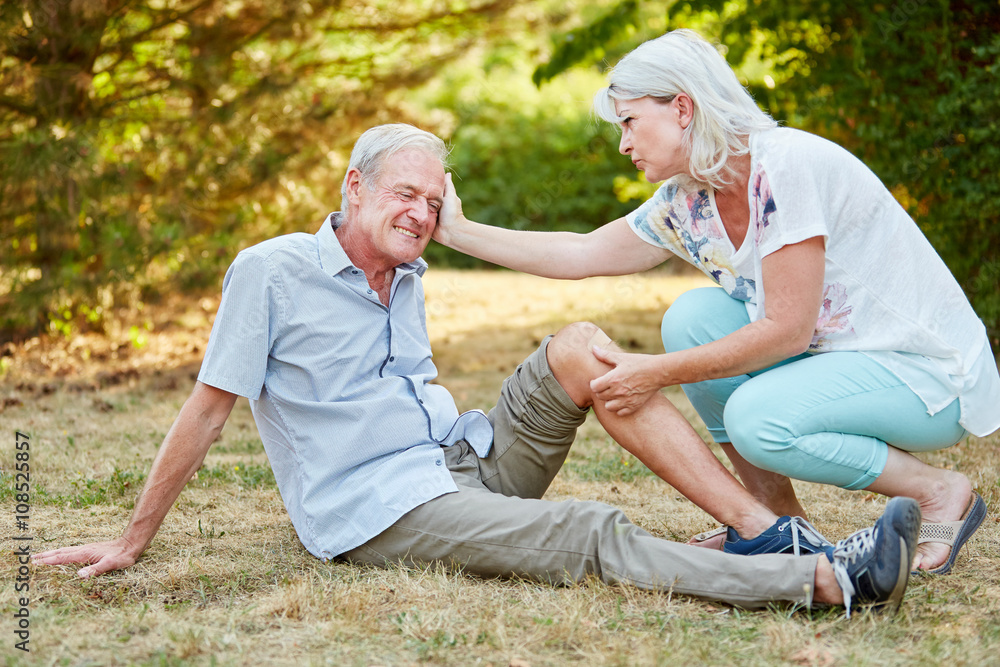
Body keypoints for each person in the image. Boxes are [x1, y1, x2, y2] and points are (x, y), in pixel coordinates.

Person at [35, 123, 916, 615]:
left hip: (463, 459)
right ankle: (821, 581)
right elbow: (207, 411)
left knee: (581, 346)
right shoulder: (270, 272)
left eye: (433, 198)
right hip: (382, 508)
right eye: (402, 194)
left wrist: (445, 231)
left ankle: (765, 526)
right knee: (588, 532)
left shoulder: (409, 271)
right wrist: (131, 538)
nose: (418, 213)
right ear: (351, 187)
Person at [432, 30, 997, 575]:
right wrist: (457, 232)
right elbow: (581, 251)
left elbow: (786, 332)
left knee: (757, 421)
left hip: (925, 376)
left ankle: (939, 492)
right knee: (693, 318)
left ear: (682, 108)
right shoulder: (689, 198)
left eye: (630, 121)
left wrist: (654, 373)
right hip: (844, 362)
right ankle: (775, 523)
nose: (624, 142)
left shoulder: (783, 167)